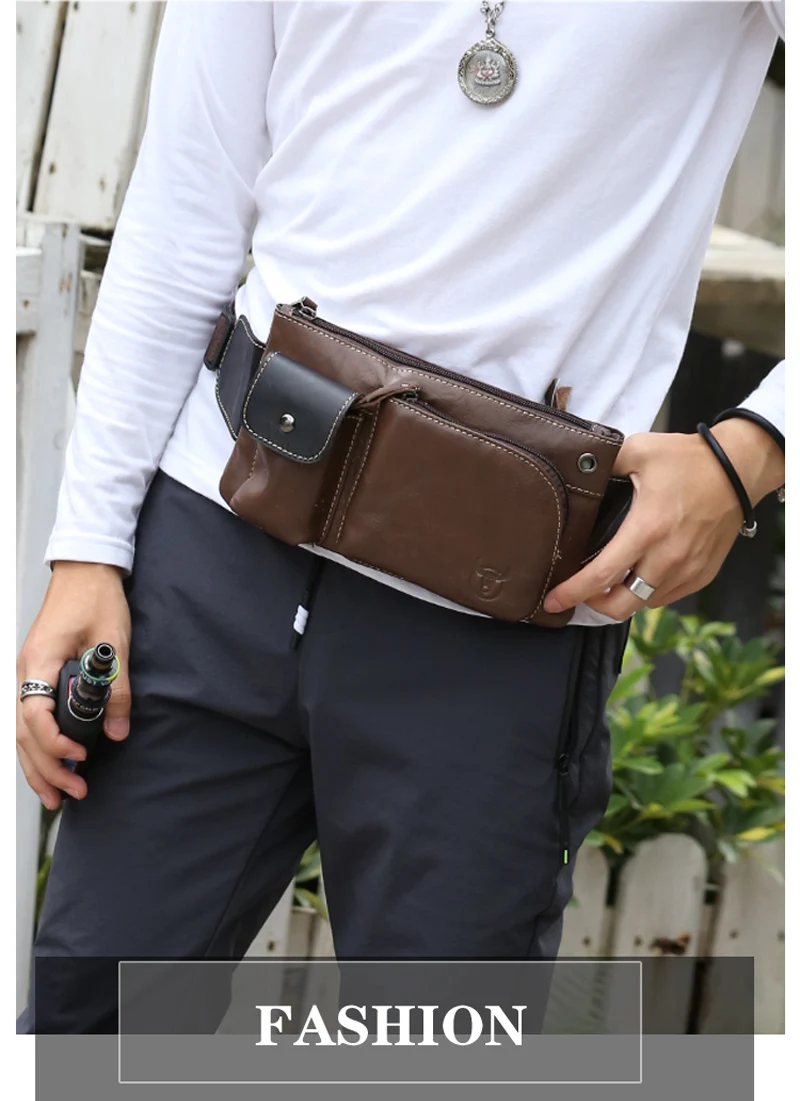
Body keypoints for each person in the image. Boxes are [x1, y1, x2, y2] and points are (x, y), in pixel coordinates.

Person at [17, 1, 785, 1034]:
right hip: (214, 542)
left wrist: (752, 450)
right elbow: (184, 208)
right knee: (89, 1040)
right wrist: (88, 549)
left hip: (499, 618)